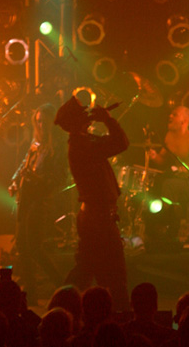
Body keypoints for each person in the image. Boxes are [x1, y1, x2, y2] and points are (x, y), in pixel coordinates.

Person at [54, 95, 130, 311]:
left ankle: (60, 309)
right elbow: (121, 143)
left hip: (95, 217)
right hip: (97, 218)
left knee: (86, 270)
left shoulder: (83, 142)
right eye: (83, 114)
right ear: (76, 121)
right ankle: (122, 315)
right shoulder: (82, 145)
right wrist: (108, 120)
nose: (87, 116)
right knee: (115, 272)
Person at [8, 103, 67, 304]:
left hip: (40, 201)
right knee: (22, 246)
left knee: (34, 248)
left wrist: (36, 179)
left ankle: (61, 285)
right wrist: (14, 181)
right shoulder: (36, 143)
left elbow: (59, 179)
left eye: (45, 121)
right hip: (25, 199)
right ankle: (31, 293)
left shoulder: (57, 148)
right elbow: (22, 165)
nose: (41, 125)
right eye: (39, 121)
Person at [148, 106, 189, 243]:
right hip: (179, 181)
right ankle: (157, 225)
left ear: (183, 121)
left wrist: (181, 170)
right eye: (171, 113)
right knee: (159, 183)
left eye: (174, 114)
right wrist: (154, 156)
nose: (170, 116)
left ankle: (170, 225)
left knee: (169, 185)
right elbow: (162, 160)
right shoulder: (169, 136)